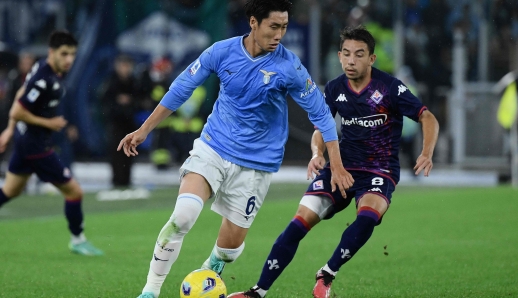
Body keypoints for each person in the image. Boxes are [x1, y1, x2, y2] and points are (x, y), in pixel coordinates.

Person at [117, 1, 353, 297]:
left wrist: (337, 164)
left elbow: (321, 114)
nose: (280, 34)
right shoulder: (221, 51)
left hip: (257, 164)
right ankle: (150, 291)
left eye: (284, 27)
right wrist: (144, 130)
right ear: (253, 23)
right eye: (273, 27)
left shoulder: (289, 66)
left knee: (229, 250)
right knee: (183, 215)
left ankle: (209, 273)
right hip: (214, 147)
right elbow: (181, 88)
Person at [228, 25, 439, 298]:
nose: (352, 60)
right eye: (347, 54)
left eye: (359, 55)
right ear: (339, 56)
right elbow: (320, 129)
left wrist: (426, 152)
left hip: (379, 169)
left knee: (368, 217)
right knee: (298, 222)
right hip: (341, 167)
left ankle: (327, 272)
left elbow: (427, 117)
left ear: (371, 59)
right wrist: (317, 154)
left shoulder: (390, 87)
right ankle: (258, 291)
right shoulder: (335, 88)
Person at [0, 30, 103, 256]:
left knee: (9, 191)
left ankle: (78, 240)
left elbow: (20, 93)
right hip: (36, 148)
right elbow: (19, 108)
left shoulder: (42, 69)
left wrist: (9, 129)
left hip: (25, 142)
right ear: (52, 52)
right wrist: (47, 122)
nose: (69, 59)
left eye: (72, 54)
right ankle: (78, 240)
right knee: (75, 192)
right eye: (64, 54)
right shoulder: (44, 79)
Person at [100, 54, 140, 188]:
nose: (125, 68)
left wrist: (130, 101)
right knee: (115, 151)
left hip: (130, 122)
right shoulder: (110, 81)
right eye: (122, 65)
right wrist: (117, 104)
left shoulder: (134, 82)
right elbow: (104, 101)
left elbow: (141, 100)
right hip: (115, 123)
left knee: (130, 150)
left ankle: (127, 180)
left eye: (127, 65)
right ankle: (116, 180)